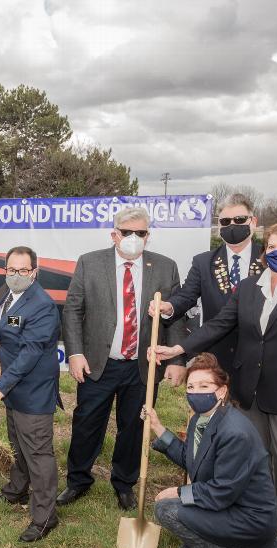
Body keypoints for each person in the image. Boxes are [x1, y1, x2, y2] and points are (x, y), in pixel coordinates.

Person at [154, 219, 277, 548]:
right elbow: (218, 325)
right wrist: (179, 350)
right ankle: (259, 518)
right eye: (272, 246)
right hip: (249, 390)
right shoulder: (249, 287)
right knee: (254, 459)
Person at [59, 207, 185, 512]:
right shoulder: (90, 263)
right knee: (87, 422)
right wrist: (74, 353)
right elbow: (73, 310)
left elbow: (176, 315)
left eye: (139, 233)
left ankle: (124, 483)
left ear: (147, 236)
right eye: (126, 232)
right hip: (98, 363)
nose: (132, 238)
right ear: (114, 234)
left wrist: (177, 359)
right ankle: (78, 480)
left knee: (134, 426)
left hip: (143, 365)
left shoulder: (165, 268)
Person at [144, 352, 277, 548]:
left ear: (221, 391)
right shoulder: (202, 418)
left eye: (204, 385)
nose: (196, 393)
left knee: (167, 510)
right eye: (191, 387)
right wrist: (158, 427)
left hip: (249, 518)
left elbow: (221, 492)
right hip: (230, 507)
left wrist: (178, 492)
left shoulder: (234, 432)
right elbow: (192, 459)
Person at [0, 246, 61, 542]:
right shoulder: (8, 297)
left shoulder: (42, 304)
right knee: (18, 444)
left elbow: (31, 351)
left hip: (32, 391)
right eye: (11, 270)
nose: (16, 275)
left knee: (38, 452)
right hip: (15, 388)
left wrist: (3, 384)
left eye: (23, 271)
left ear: (34, 272)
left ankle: (46, 516)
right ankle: (16, 490)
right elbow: (8, 334)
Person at [150, 193, 264, 378]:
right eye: (226, 221)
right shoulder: (204, 262)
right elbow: (187, 295)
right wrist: (169, 306)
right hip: (217, 355)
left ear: (253, 221)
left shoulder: (269, 259)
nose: (232, 225)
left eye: (240, 219)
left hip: (259, 355)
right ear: (219, 225)